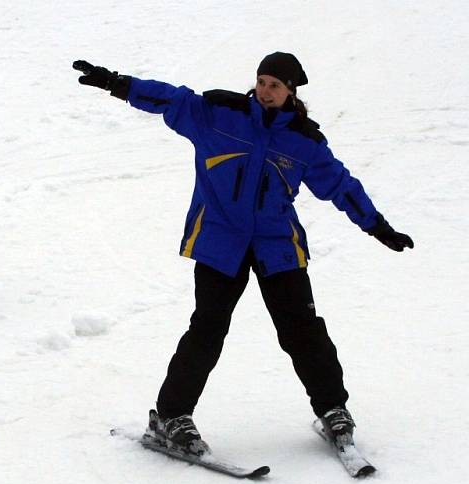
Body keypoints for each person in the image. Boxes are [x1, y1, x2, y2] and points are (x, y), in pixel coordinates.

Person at [73, 53, 413, 455]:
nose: (266, 91)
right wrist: (117, 83)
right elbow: (171, 99)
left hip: (278, 246)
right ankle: (171, 416)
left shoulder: (304, 141)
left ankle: (333, 409)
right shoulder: (219, 114)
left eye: (276, 85)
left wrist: (377, 226)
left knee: (302, 330)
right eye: (262, 81)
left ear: (291, 91)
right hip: (220, 242)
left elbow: (340, 185)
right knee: (208, 329)